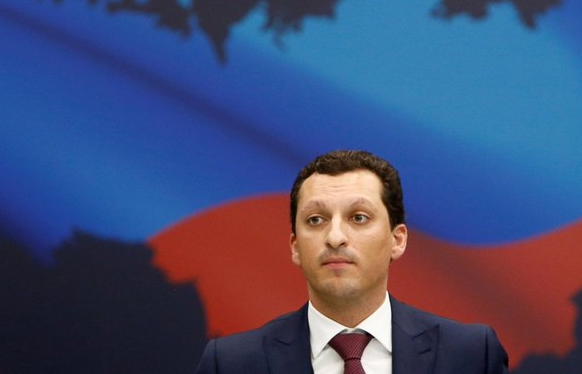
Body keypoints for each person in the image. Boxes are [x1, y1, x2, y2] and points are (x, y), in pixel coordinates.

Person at [195, 150, 508, 373]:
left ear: (397, 239)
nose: (335, 237)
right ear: (295, 246)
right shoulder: (232, 363)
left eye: (358, 217)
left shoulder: (470, 355)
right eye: (316, 220)